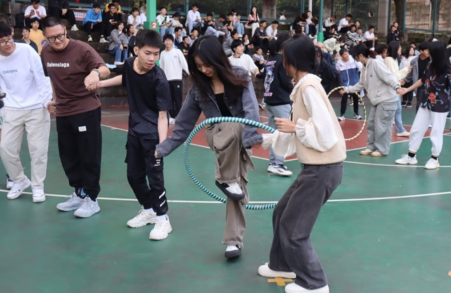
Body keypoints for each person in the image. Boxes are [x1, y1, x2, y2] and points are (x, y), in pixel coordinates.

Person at [156, 37, 262, 259]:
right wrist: (162, 149)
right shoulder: (199, 88)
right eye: (199, 66)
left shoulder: (240, 75)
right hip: (218, 137)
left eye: (207, 65)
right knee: (233, 125)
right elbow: (184, 124)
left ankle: (233, 241)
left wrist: (251, 138)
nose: (204, 70)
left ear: (219, 59)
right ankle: (225, 179)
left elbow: (251, 109)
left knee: (237, 191)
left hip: (240, 140)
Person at [258, 35, 346, 293]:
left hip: (322, 169)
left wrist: (294, 127)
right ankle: (281, 264)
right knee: (281, 212)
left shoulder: (308, 87)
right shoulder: (303, 86)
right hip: (316, 169)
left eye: (285, 58)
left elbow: (325, 133)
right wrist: (266, 139)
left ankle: (314, 283)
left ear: (293, 61)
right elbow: (299, 129)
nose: (282, 62)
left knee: (294, 229)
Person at [96, 30, 173, 239]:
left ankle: (163, 219)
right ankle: (149, 209)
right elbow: (125, 77)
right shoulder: (130, 64)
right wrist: (100, 83)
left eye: (156, 54)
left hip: (152, 135)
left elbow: (163, 116)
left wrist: (162, 146)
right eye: (148, 53)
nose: (152, 58)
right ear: (136, 50)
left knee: (155, 180)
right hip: (134, 132)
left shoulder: (159, 79)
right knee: (133, 176)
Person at [40, 16, 110, 219]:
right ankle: (79, 193)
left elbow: (104, 69)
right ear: (45, 36)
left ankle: (92, 198)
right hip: (63, 112)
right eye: (52, 38)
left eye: (60, 36)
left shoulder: (82, 49)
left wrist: (95, 73)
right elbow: (52, 78)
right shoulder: (45, 52)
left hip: (86, 110)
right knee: (69, 156)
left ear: (66, 30)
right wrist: (54, 99)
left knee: (89, 155)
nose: (57, 41)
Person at [396, 41, 449, 169]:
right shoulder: (430, 64)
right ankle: (411, 156)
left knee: (436, 132)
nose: (427, 52)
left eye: (429, 51)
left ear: (436, 52)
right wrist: (407, 90)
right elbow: (423, 79)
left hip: (440, 105)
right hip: (426, 102)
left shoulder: (448, 68)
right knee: (416, 128)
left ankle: (434, 159)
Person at [341, 44, 400, 158]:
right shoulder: (365, 66)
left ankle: (382, 149)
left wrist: (397, 87)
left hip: (387, 99)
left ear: (360, 55)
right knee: (372, 125)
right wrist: (347, 89)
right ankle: (371, 147)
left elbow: (389, 76)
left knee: (382, 126)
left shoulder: (375, 63)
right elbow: (361, 84)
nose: (354, 58)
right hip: (377, 100)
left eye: (355, 56)